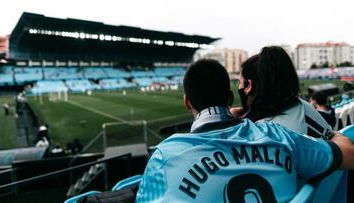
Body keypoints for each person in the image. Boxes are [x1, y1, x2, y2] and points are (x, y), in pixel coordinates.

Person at [136, 59, 354, 202]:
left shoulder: (164, 158)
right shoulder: (277, 135)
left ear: (187, 102)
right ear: (230, 97)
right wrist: (331, 134)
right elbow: (349, 154)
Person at [231, 46, 333, 140]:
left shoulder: (266, 132)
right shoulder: (303, 106)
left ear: (249, 86)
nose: (239, 87)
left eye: (240, 82)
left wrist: (231, 124)